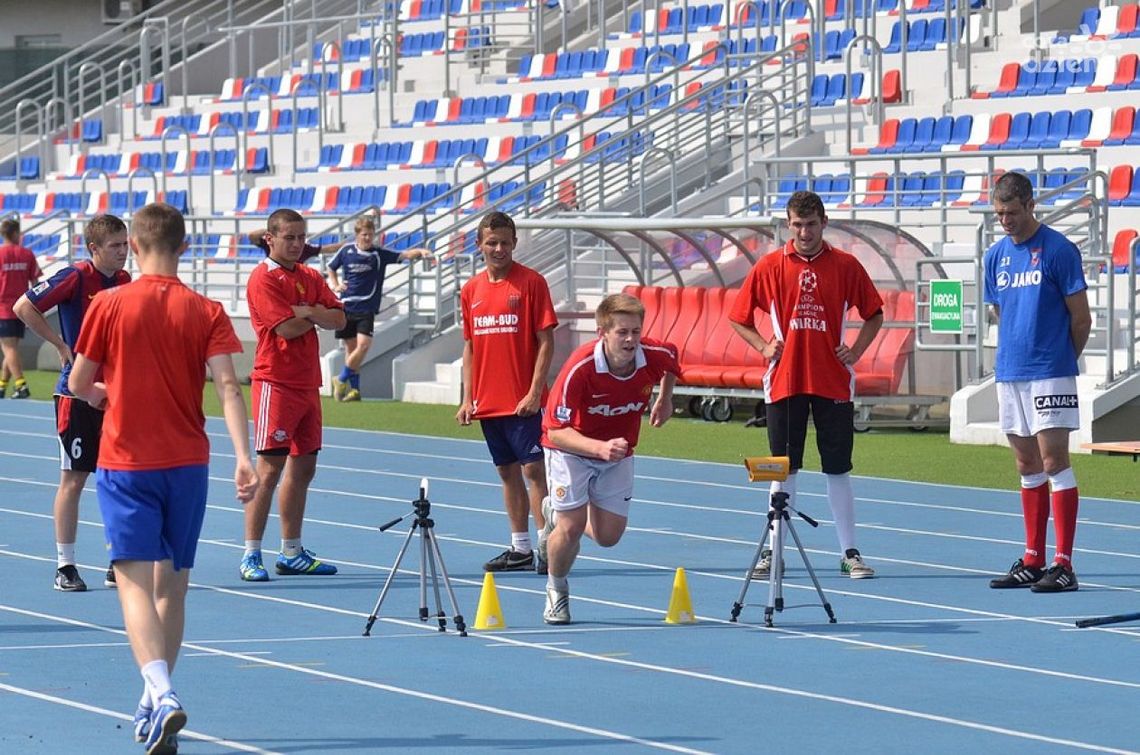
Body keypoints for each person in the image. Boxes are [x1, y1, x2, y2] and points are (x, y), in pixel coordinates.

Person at [67, 202, 258, 754]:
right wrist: (243, 457)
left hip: (128, 460)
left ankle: (160, 689)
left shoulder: (107, 303)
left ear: (134, 245)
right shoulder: (207, 309)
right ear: (184, 246)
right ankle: (153, 704)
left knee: (131, 581)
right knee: (173, 585)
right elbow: (227, 386)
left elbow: (79, 380)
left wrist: (101, 393)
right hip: (187, 463)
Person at [728, 190, 883, 580]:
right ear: (788, 224)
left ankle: (850, 551)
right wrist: (764, 345)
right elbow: (738, 317)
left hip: (832, 379)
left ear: (824, 223)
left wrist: (856, 351)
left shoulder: (846, 265)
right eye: (796, 224)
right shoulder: (769, 266)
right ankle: (773, 550)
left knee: (838, 468)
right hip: (785, 378)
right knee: (783, 468)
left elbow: (874, 314)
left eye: (810, 224)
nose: (803, 231)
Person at [538, 293, 679, 624]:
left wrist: (665, 398)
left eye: (635, 331)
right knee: (571, 527)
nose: (630, 340)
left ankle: (554, 512)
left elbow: (672, 359)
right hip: (570, 449)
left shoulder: (654, 354)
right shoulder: (580, 368)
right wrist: (597, 448)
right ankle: (556, 589)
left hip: (619, 451)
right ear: (602, 332)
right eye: (622, 332)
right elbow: (555, 431)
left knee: (608, 537)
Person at [983, 172, 1091, 593]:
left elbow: (1081, 318)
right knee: (1026, 466)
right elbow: (1000, 313)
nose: (1005, 220)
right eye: (998, 214)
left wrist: (1061, 360)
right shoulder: (995, 256)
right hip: (1010, 371)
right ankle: (1033, 557)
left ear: (1030, 205)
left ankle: (1063, 563)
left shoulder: (1059, 250)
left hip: (1050, 371)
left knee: (1053, 462)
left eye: (1010, 212)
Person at [14, 214, 131, 592]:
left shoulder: (126, 282)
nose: (123, 252)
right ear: (94, 248)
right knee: (75, 478)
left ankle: (119, 559)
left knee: (119, 478)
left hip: (113, 392)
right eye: (115, 246)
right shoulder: (75, 276)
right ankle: (65, 565)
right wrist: (61, 345)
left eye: (126, 244)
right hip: (76, 393)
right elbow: (23, 306)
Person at [240, 208, 346, 582]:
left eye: (302, 238)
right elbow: (286, 328)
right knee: (269, 470)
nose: (298, 244)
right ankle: (251, 554)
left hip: (307, 383)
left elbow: (340, 318)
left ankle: (291, 551)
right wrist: (316, 313)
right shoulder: (263, 279)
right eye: (290, 238)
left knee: (304, 468)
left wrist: (311, 311)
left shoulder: (311, 275)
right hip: (276, 383)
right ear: (271, 239)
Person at [456, 211, 557, 574]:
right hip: (488, 401)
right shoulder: (470, 290)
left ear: (515, 243)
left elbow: (546, 341)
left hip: (523, 402)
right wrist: (467, 398)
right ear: (480, 244)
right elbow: (469, 346)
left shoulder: (532, 283)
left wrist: (534, 392)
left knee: (534, 471)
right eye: (491, 242)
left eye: (504, 242)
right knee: (506, 473)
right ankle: (520, 548)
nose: (498, 249)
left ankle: (548, 545)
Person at [326, 216, 433, 402]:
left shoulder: (378, 254)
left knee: (364, 345)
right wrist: (335, 285)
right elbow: (331, 267)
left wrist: (421, 251)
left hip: (366, 307)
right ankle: (355, 390)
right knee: (351, 350)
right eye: (364, 235)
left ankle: (341, 378)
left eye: (371, 235)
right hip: (346, 305)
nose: (368, 238)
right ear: (357, 235)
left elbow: (403, 255)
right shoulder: (346, 251)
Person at [0, 219, 42, 399]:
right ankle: (2, 386)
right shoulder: (27, 254)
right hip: (21, 307)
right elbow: (35, 282)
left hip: (3, 308)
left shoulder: (0, 254)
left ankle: (21, 385)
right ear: (16, 233)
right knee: (12, 348)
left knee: (8, 349)